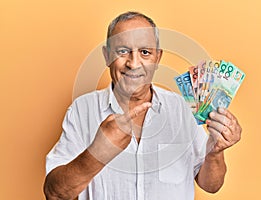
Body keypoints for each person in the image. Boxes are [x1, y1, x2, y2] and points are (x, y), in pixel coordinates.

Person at [43, 11, 242, 200]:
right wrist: (98, 152)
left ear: (158, 58)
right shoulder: (82, 110)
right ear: (106, 56)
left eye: (145, 52)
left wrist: (215, 152)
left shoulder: (182, 109)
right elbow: (55, 193)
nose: (133, 63)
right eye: (122, 51)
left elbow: (210, 185)